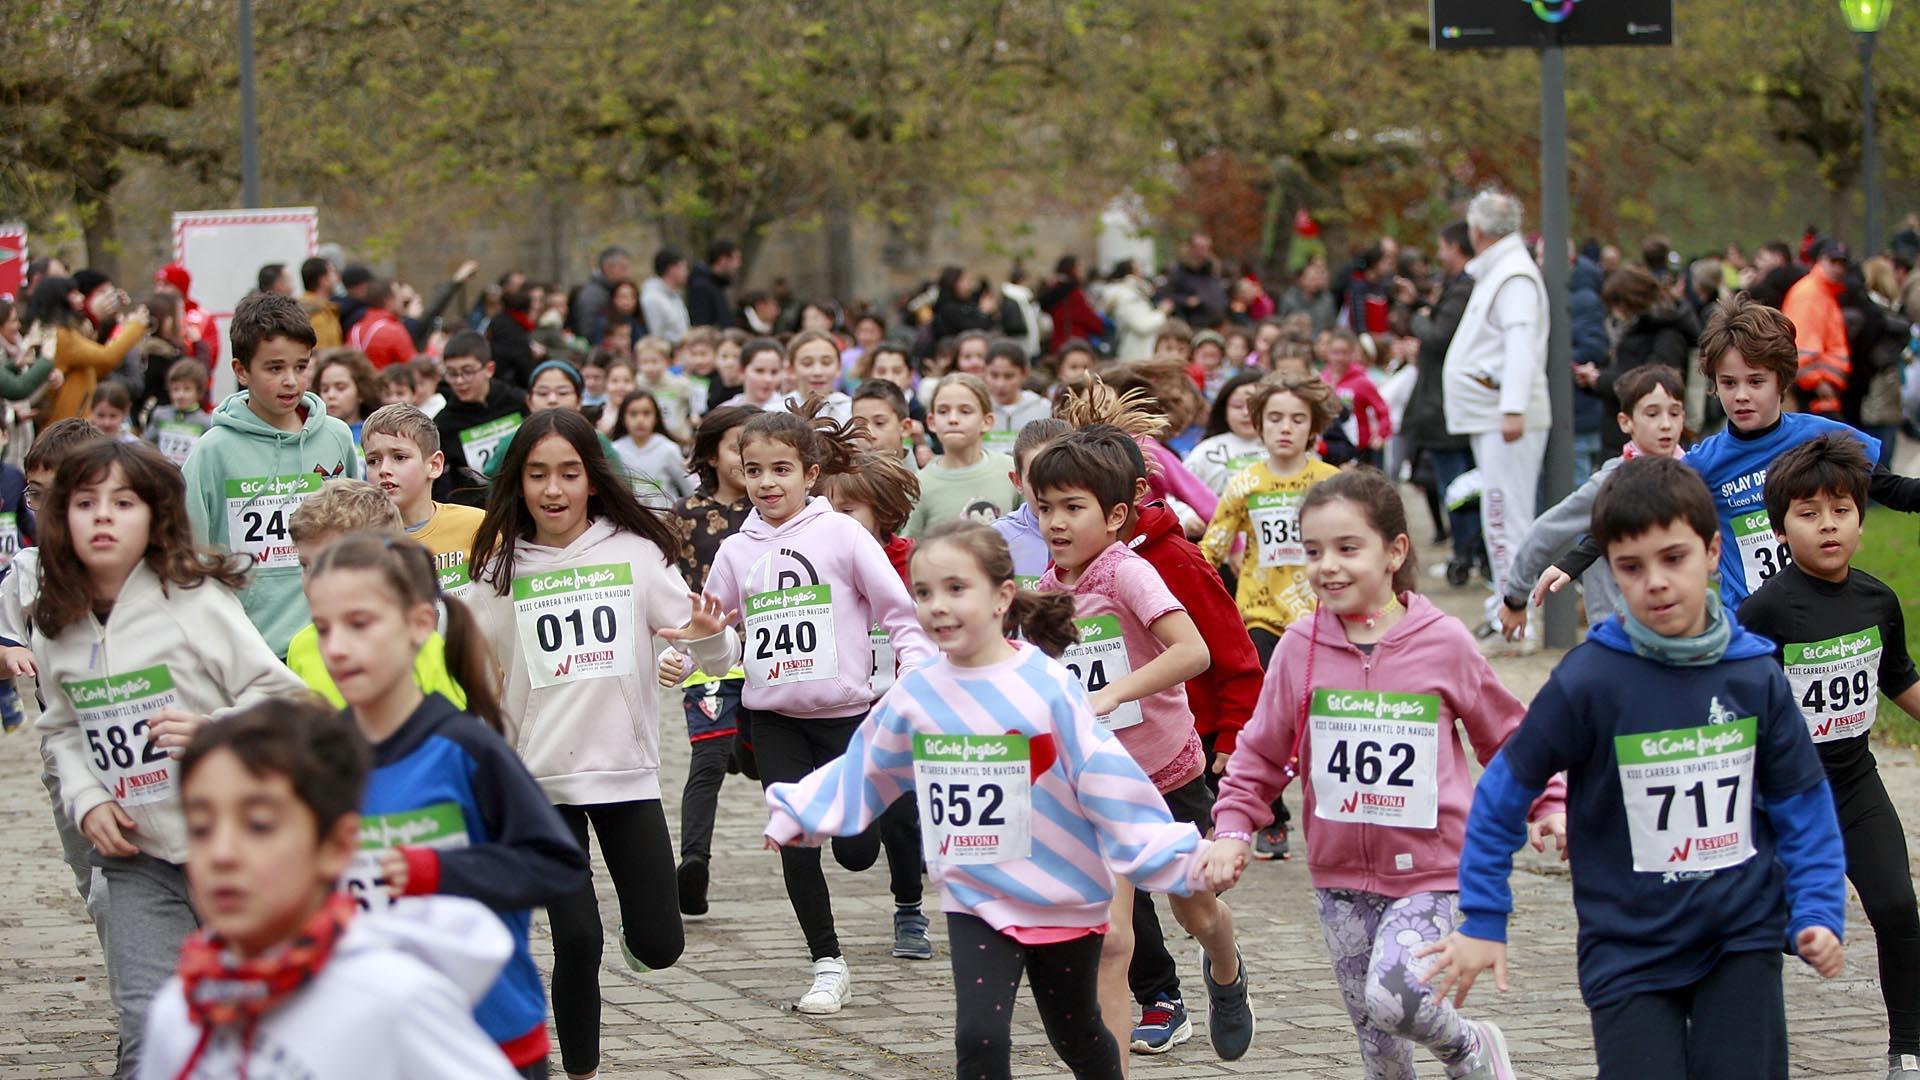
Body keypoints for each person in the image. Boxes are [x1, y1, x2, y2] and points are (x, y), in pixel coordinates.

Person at [1423, 456, 1847, 1080]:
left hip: (1741, 938)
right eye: (1631, 566)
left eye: (1673, 558)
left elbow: (1803, 806)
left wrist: (1816, 910)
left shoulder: (1754, 674)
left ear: (1711, 550)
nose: (1655, 581)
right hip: (1628, 948)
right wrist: (1485, 916)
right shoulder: (1589, 680)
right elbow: (1504, 793)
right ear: (1611, 571)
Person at [763, 522, 1220, 1080]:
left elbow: (1110, 781)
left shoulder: (1047, 685)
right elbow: (866, 768)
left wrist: (1176, 855)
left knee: (1077, 1036)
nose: (937, 606)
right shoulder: (916, 691)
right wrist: (800, 812)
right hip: (976, 894)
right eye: (924, 593)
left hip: (1063, 899)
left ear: (1003, 597)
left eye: (956, 589)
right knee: (978, 1040)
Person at [1204, 467, 1561, 1080]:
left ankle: (1470, 1049)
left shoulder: (1443, 641)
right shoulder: (1299, 646)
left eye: (1348, 548)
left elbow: (1507, 737)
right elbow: (1261, 753)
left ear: (1395, 551)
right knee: (1378, 1045)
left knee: (1395, 997)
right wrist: (1233, 829)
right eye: (1313, 551)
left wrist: (1549, 802)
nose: (1328, 567)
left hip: (1433, 869)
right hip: (1339, 874)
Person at [466, 408, 726, 1080]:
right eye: (537, 475)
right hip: (537, 783)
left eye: (568, 474)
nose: (553, 489)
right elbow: (472, 669)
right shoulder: (499, 569)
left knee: (662, 945)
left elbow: (705, 649)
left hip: (623, 772)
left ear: (591, 479)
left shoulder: (636, 554)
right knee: (577, 940)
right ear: (518, 484)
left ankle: (645, 946)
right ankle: (582, 1072)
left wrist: (703, 638)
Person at [34, 440, 307, 1078]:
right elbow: (63, 728)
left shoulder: (193, 602)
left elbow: (286, 698)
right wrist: (89, 796)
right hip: (137, 860)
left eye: (122, 502)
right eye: (84, 502)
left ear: (156, 517)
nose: (102, 516)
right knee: (149, 1028)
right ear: (59, 517)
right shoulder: (56, 623)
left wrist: (216, 730)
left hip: (236, 850)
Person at [658, 404, 937, 1014]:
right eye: (753, 470)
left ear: (810, 474)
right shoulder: (735, 551)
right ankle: (827, 962)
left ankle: (866, 841)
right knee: (796, 837)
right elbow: (723, 648)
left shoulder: (842, 535)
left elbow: (899, 614)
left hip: (848, 717)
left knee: (857, 849)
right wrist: (698, 645)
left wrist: (911, 679)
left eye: (781, 469)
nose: (766, 482)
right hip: (775, 718)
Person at [307, 534, 591, 1079]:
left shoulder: (469, 750)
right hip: (367, 1046)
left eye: (359, 624)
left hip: (487, 1039)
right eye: (324, 628)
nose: (337, 647)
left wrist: (438, 870)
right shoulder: (316, 763)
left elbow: (559, 864)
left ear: (418, 625)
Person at [1028, 428, 1255, 1068]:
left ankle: (1226, 968)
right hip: (1098, 787)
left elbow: (1193, 651)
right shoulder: (1045, 586)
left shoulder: (1130, 571)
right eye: (1045, 508)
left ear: (1116, 515)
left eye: (1073, 508)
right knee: (1111, 940)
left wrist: (1108, 695)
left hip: (1165, 776)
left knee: (1196, 912)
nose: (1057, 522)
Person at [141, 700, 522, 1079]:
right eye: (201, 827)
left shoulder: (394, 1002)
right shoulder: (181, 1007)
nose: (221, 855)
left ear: (337, 847)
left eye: (259, 825)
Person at [1539, 293, 1920, 612]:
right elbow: (1636, 512)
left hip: (1822, 614)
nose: (1740, 395)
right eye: (1728, 383)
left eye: (1756, 382)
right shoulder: (1704, 463)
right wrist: (1571, 564)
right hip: (1751, 622)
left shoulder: (1825, 438)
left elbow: (1895, 490)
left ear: (1781, 381)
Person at [1735, 435, 1920, 1079]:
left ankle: (1909, 1051)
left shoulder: (1877, 600)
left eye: (1841, 510)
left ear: (1861, 518)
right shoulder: (1763, 611)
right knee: (1762, 924)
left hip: (1853, 784)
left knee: (1899, 908)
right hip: (1781, 798)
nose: (1828, 525)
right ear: (1781, 528)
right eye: (1808, 513)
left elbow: (1897, 678)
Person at [183, 292, 361, 659]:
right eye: (275, 368)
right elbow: (192, 556)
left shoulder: (336, 437)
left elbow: (358, 534)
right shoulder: (211, 452)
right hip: (250, 649)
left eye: (301, 366)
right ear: (241, 370)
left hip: (331, 643)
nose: (291, 381)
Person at [818, 450, 936, 959]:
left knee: (902, 815)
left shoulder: (916, 562)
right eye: (825, 509)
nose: (833, 522)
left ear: (884, 514)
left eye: (848, 511)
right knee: (854, 850)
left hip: (903, 705)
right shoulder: (817, 560)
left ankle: (910, 910)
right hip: (843, 706)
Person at [1499, 365, 1687, 641]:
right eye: (1652, 414)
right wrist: (1515, 597)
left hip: (1676, 627)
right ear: (1626, 422)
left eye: (1674, 413)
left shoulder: (1694, 475)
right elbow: (1545, 531)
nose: (1666, 424)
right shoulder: (1609, 482)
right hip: (1617, 632)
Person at [1441, 190, 1550, 640]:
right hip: (1493, 413)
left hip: (1504, 416)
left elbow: (1521, 344)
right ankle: (1503, 608)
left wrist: (1512, 408)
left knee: (1508, 516)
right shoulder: (1502, 272)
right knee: (1499, 515)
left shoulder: (1514, 276)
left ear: (1477, 230)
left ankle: (1515, 618)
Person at [665, 405, 759, 917]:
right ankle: (692, 863)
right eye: (736, 446)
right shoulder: (685, 515)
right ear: (710, 452)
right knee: (707, 760)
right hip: (707, 656)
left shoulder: (776, 509)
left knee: (756, 756)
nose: (747, 458)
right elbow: (667, 580)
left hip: (772, 656)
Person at [280, 478, 467, 709]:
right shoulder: (301, 647)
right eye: (306, 565)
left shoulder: (422, 647)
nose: (315, 581)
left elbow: (453, 736)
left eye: (333, 564)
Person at [355, 404, 488, 597]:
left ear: (434, 465)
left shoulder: (477, 526)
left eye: (399, 457)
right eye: (373, 461)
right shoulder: (356, 542)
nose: (383, 469)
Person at [1593, 266, 1699, 458]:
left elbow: (1653, 382)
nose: (1616, 312)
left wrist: (1599, 379)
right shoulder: (1641, 328)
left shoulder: (1667, 333)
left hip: (1643, 441)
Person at [903, 374, 1019, 537]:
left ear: (987, 421)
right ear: (931, 422)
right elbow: (909, 549)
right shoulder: (920, 485)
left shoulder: (1010, 471)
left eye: (965, 411)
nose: (953, 419)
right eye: (943, 411)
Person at [24, 275, 146, 424]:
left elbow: (97, 365)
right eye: (74, 293)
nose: (81, 297)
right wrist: (135, 325)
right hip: (65, 423)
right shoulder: (62, 336)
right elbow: (107, 356)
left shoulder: (51, 330)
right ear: (60, 298)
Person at [433, 331, 528, 506]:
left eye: (467, 372)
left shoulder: (517, 401)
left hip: (525, 498)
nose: (460, 381)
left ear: (489, 369)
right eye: (452, 373)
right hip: (479, 510)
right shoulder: (444, 424)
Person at [993, 418, 1072, 580]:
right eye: (1038, 479)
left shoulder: (1099, 534)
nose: (1052, 489)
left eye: (1062, 476)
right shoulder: (997, 540)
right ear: (1017, 481)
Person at [1780, 239, 1852, 416]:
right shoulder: (1811, 294)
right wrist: (1817, 382)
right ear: (1820, 261)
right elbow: (1801, 346)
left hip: (1821, 390)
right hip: (1815, 392)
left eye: (1842, 263)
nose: (1838, 268)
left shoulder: (1823, 293)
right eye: (1833, 262)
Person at [1184, 372, 1266, 496]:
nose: (1246, 413)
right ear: (1224, 410)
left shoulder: (1287, 446)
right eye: (1238, 406)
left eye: (1254, 406)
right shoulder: (1206, 450)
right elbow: (1179, 492)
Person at [609, 389, 693, 507]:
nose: (640, 420)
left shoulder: (668, 449)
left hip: (665, 520)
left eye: (646, 413)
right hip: (628, 520)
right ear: (623, 419)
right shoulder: (615, 450)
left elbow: (689, 488)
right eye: (633, 414)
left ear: (656, 417)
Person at [982, 340, 1050, 457]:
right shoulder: (977, 408)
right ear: (984, 372)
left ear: (1024, 374)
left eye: (1009, 376)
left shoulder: (1044, 408)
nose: (1000, 384)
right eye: (994, 375)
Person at [142, 359, 213, 467]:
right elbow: (146, 444)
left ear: (199, 392)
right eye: (175, 389)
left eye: (187, 389)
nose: (180, 395)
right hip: (165, 474)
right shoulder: (161, 415)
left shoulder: (206, 422)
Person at [1040, 255, 1108, 354]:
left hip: (1058, 343)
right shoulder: (1073, 293)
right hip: (1075, 343)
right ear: (1072, 269)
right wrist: (1102, 326)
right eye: (1079, 267)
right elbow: (1088, 318)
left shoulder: (1052, 289)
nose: (1082, 271)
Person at [315, 347, 381, 444]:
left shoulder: (376, 435)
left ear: (361, 392)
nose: (331, 395)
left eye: (340, 388)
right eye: (325, 389)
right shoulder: (312, 435)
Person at [345, 280, 416, 370]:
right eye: (398, 296)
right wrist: (432, 350)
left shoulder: (354, 330)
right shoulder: (394, 331)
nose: (402, 301)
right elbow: (414, 369)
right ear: (388, 301)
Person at [1161, 233, 1228, 328]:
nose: (1203, 252)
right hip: (1193, 327)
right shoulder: (1178, 272)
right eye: (1200, 248)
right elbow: (1166, 297)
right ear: (1190, 248)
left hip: (1217, 327)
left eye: (1206, 248)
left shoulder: (1212, 271)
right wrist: (1185, 301)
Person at [641, 249, 691, 344]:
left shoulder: (674, 294)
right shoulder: (652, 298)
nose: (686, 273)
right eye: (683, 268)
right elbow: (656, 335)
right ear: (671, 269)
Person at [687, 240, 740, 329]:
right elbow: (701, 325)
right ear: (723, 260)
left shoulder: (718, 285)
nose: (739, 264)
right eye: (736, 259)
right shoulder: (701, 287)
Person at [1279, 260, 1338, 335]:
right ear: (1301, 279)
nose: (1315, 281)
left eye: (1317, 278)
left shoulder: (1327, 299)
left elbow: (1331, 325)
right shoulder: (1289, 298)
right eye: (1311, 278)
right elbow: (1282, 321)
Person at [298, 256, 344, 349]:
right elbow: (320, 354)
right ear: (323, 280)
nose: (337, 278)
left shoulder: (326, 308)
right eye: (333, 272)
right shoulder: (315, 314)